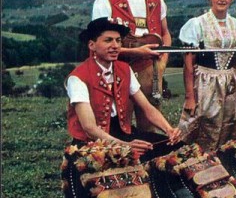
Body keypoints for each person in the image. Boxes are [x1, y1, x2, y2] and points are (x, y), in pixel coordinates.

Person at [66, 18, 181, 162]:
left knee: (178, 148)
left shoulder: (125, 69)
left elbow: (147, 108)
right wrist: (125, 146)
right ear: (92, 45)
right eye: (108, 40)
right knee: (134, 159)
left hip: (124, 133)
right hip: (93, 142)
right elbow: (89, 128)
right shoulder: (78, 77)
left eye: (118, 41)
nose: (115, 46)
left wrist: (168, 129)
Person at [92, 0, 172, 133]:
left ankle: (149, 161)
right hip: (115, 72)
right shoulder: (105, 1)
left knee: (150, 127)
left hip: (149, 72)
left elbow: (165, 32)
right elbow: (98, 44)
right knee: (120, 127)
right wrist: (135, 52)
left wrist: (163, 60)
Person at [177, 0, 236, 151]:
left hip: (230, 84)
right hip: (205, 83)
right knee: (204, 127)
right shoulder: (197, 24)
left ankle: (225, 167)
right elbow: (188, 63)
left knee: (229, 127)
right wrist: (189, 97)